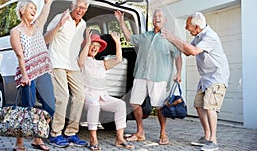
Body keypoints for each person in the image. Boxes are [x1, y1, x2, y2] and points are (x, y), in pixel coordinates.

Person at [161, 12, 229, 151]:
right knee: (199, 105)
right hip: (205, 78)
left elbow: (193, 51)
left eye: (188, 26)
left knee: (210, 107)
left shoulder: (210, 36)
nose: (186, 28)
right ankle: (207, 136)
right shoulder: (199, 36)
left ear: (196, 27)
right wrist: (172, 40)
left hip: (217, 77)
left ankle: (213, 141)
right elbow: (186, 51)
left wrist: (174, 37)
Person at [114, 9, 182, 145]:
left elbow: (178, 56)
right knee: (134, 102)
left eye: (160, 16)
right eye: (155, 16)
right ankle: (140, 132)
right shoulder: (145, 36)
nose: (157, 18)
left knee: (159, 106)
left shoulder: (170, 37)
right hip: (141, 74)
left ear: (165, 20)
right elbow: (130, 39)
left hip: (159, 76)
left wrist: (179, 72)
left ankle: (163, 133)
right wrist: (121, 22)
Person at [10, 0, 55, 151]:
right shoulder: (15, 31)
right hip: (27, 72)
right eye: (31, 8)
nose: (34, 11)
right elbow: (20, 55)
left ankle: (37, 138)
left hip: (42, 70)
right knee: (26, 109)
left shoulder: (37, 26)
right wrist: (25, 75)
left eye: (34, 9)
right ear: (22, 10)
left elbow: (47, 3)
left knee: (50, 107)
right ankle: (19, 142)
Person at [77, 29, 135, 150]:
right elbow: (81, 62)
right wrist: (87, 42)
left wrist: (117, 42)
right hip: (87, 96)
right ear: (87, 45)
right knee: (94, 105)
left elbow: (118, 60)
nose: (94, 48)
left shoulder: (101, 63)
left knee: (120, 104)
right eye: (92, 45)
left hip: (101, 96)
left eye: (97, 46)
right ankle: (93, 139)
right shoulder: (80, 61)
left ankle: (120, 138)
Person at [44, 0, 89, 148]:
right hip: (57, 62)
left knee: (80, 96)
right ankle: (55, 133)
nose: (80, 10)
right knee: (62, 97)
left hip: (73, 65)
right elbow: (46, 39)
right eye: (78, 6)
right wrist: (58, 25)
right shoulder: (60, 17)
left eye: (83, 8)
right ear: (72, 5)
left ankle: (71, 132)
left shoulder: (83, 24)